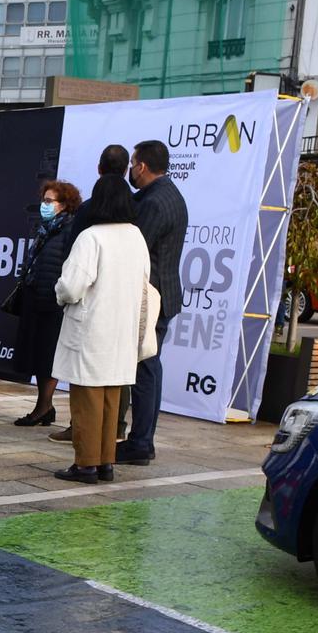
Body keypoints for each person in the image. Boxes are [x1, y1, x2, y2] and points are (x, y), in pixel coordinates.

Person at [50, 173, 151, 485]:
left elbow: (72, 285)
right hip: (123, 326)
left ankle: (86, 463)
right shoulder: (136, 235)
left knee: (87, 398)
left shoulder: (92, 237)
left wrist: (60, 293)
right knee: (111, 396)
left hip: (93, 326)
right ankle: (107, 460)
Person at [121, 139, 187, 466]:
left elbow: (136, 249)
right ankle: (142, 439)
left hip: (151, 295)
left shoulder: (154, 203)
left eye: (133, 164)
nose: (131, 170)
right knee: (152, 367)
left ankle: (140, 442)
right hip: (164, 293)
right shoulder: (170, 194)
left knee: (145, 369)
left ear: (143, 166)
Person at [12, 179, 82, 427]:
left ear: (64, 204)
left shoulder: (70, 230)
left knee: (48, 356)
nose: (45, 205)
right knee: (38, 355)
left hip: (54, 302)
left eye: (49, 201)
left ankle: (44, 407)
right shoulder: (46, 229)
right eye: (44, 200)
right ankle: (44, 406)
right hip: (35, 297)